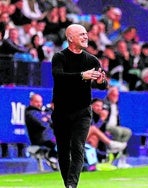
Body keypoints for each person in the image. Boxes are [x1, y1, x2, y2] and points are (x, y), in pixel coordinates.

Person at [51, 24, 108, 188]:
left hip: (82, 111)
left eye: (86, 34)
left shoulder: (92, 59)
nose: (85, 37)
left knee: (77, 146)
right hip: (62, 111)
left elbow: (103, 84)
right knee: (63, 150)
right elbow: (59, 76)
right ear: (70, 38)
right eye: (81, 34)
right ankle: (67, 184)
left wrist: (100, 81)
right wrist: (82, 76)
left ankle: (71, 185)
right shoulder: (59, 57)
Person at [25, 93, 58, 171]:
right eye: (37, 102)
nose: (39, 104)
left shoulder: (43, 112)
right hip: (40, 139)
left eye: (40, 102)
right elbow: (42, 124)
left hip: (48, 137)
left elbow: (51, 121)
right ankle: (51, 157)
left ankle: (52, 158)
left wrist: (48, 119)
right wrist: (47, 119)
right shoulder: (30, 112)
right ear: (31, 102)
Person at [103, 86, 132, 168]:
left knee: (127, 132)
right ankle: (114, 155)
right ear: (109, 95)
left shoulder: (116, 105)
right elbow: (103, 119)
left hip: (115, 126)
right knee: (118, 132)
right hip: (107, 127)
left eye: (117, 95)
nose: (116, 97)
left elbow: (117, 119)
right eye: (114, 95)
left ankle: (120, 153)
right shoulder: (105, 103)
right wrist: (104, 129)